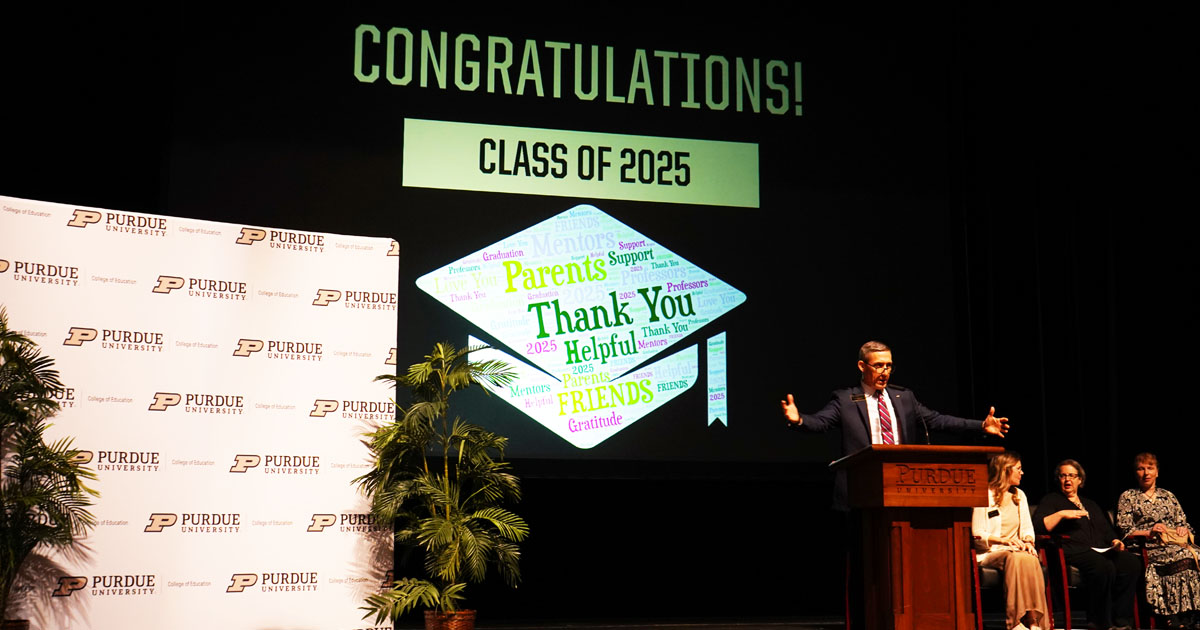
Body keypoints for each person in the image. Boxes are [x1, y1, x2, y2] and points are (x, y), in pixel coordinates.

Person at [780, 340, 1010, 509]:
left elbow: (938, 420)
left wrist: (980, 426)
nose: (885, 372)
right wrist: (799, 419)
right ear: (862, 366)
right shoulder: (845, 399)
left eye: (889, 366)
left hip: (903, 484)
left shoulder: (904, 397)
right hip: (862, 488)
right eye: (878, 366)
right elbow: (820, 422)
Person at [1034, 459, 1142, 630]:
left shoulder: (1090, 504)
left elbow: (1106, 530)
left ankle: (1122, 620)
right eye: (1063, 476)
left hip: (1100, 549)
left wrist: (1114, 540)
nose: (1067, 480)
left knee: (1130, 563)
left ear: (1080, 480)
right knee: (1103, 566)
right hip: (1072, 549)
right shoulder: (1052, 500)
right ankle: (1099, 622)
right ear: (1058, 479)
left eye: (1071, 475)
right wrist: (1062, 514)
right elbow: (1039, 526)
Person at [1116, 453, 1200, 629]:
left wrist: (1183, 529)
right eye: (1141, 468)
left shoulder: (1168, 496)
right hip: (1148, 548)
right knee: (1180, 557)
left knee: (1194, 555)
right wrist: (1148, 532)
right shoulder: (1129, 497)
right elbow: (1125, 530)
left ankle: (1190, 614)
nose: (1146, 473)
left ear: (1157, 472)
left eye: (1150, 468)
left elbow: (1184, 523)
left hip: (1174, 543)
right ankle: (1171, 615)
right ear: (1136, 473)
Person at [972, 451, 1048, 630]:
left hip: (1017, 550)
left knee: (1030, 558)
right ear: (1005, 470)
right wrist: (1004, 541)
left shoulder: (1019, 495)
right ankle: (1016, 621)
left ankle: (1034, 621)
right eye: (1018, 469)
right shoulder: (985, 494)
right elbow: (977, 534)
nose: (1022, 473)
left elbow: (1027, 528)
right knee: (1016, 558)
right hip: (992, 552)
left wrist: (1028, 542)